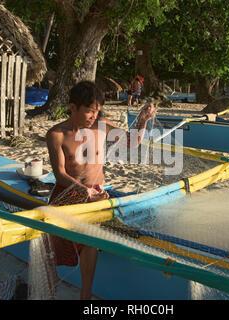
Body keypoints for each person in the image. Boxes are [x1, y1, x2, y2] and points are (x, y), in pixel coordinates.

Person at [44, 80, 156, 299]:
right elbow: (59, 174)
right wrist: (84, 191)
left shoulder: (101, 126)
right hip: (68, 194)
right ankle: (49, 289)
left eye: (96, 111)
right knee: (52, 245)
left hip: (97, 194)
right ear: (72, 107)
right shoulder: (56, 135)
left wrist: (142, 120)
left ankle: (85, 296)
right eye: (88, 112)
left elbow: (132, 142)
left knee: (90, 240)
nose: (93, 116)